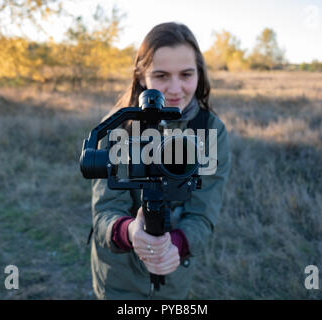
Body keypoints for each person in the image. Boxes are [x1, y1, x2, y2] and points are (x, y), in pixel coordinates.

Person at [89, 22, 231, 299]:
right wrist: (130, 232)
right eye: (162, 75)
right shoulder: (118, 127)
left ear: (199, 75)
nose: (175, 88)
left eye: (186, 74)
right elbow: (105, 211)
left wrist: (176, 244)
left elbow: (203, 212)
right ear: (142, 77)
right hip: (118, 279)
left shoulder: (210, 131)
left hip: (174, 278)